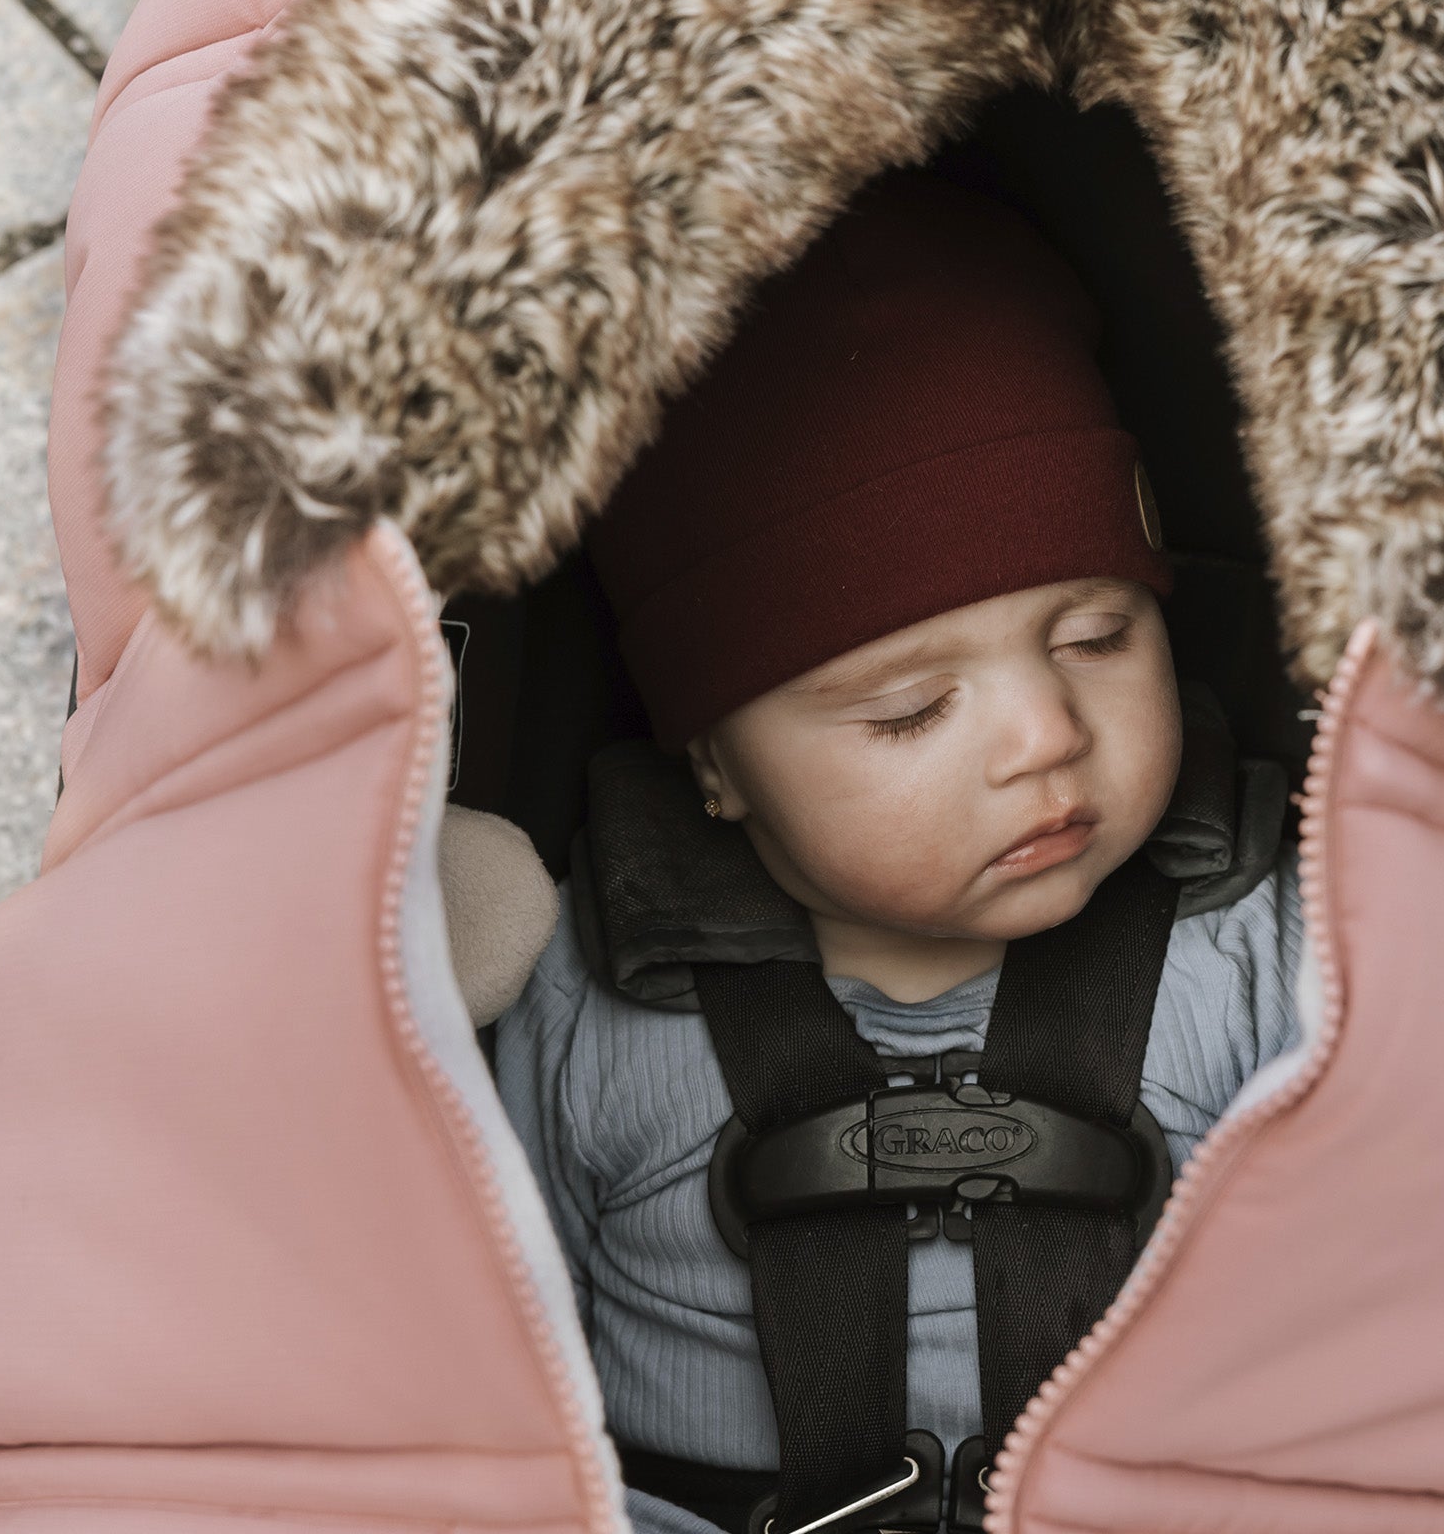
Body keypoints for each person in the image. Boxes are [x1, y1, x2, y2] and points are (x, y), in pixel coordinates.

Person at [492, 168, 1307, 1534]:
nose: (1047, 733)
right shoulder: (588, 991)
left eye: (1101, 636)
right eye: (912, 709)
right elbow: (482, 1348)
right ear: (714, 761)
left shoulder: (1260, 941)